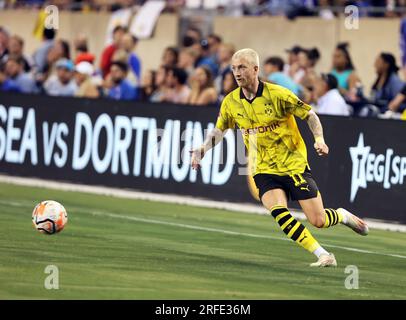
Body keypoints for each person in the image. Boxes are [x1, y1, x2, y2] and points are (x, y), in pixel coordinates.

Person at [190, 48, 369, 267]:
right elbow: (220, 130)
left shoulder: (278, 95)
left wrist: (319, 139)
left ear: (256, 69)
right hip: (263, 168)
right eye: (234, 68)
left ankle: (341, 215)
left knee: (318, 220)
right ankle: (322, 254)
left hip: (293, 163)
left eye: (242, 67)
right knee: (278, 211)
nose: (237, 73)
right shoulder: (230, 102)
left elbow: (309, 115)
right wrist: (202, 149)